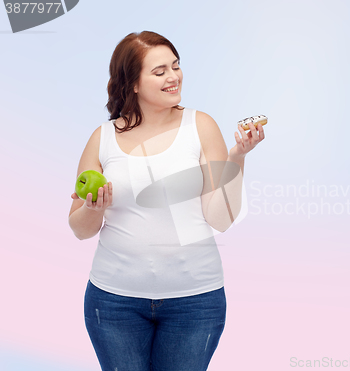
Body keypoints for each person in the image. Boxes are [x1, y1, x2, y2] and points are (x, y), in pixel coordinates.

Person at [68, 30, 265, 371]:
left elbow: (219, 219)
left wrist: (237, 157)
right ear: (132, 83)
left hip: (196, 303)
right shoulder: (103, 139)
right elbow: (80, 229)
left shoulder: (200, 126)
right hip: (113, 302)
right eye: (159, 72)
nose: (173, 77)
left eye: (175, 66)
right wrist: (92, 207)